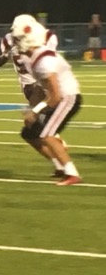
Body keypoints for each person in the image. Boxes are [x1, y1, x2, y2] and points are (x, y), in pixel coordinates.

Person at [10, 16, 83, 185]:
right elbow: (39, 88)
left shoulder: (44, 60)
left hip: (67, 98)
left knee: (47, 134)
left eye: (18, 40)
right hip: (59, 98)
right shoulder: (34, 58)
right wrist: (31, 109)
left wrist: (35, 112)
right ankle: (60, 166)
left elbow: (55, 95)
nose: (15, 44)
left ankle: (72, 174)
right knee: (30, 132)